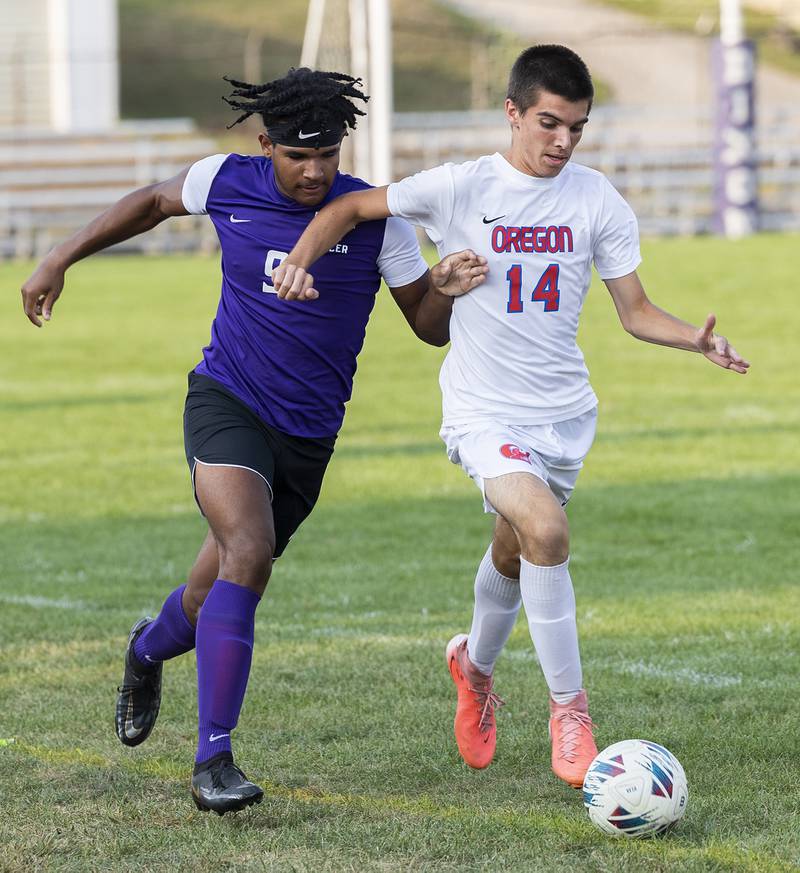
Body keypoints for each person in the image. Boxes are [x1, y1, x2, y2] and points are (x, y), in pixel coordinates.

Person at [272, 45, 750, 788]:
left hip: (563, 416)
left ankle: (474, 666)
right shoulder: (461, 187)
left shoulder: (597, 201)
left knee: (513, 548)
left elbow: (635, 310)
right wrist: (301, 257)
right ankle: (571, 710)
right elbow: (347, 206)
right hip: (481, 407)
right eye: (550, 124)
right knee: (548, 531)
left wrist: (695, 338)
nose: (562, 142)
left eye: (578, 129)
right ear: (514, 113)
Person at [20, 67, 488, 814]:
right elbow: (148, 202)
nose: (314, 171)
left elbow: (425, 327)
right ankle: (214, 760)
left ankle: (146, 649)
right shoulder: (224, 181)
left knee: (209, 594)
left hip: (308, 434)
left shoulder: (377, 219)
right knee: (248, 549)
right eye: (298, 155)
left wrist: (442, 287)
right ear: (265, 144)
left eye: (327, 155)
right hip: (227, 400)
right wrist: (58, 258)